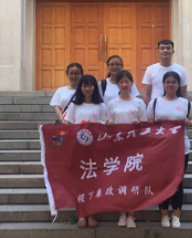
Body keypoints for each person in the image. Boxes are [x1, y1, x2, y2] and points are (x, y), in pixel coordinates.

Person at [146, 71, 192, 229]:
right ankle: (163, 214)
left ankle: (176, 215)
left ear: (178, 85)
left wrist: (189, 122)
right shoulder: (155, 102)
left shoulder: (185, 103)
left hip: (181, 148)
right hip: (161, 149)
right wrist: (155, 123)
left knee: (177, 181)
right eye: (167, 82)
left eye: (174, 82)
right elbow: (147, 122)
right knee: (162, 181)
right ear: (163, 84)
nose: (170, 85)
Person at [63, 74, 107, 229]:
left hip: (96, 150)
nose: (87, 89)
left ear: (94, 87)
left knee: (94, 181)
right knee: (80, 181)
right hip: (78, 149)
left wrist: (96, 123)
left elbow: (107, 125)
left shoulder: (101, 106)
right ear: (80, 88)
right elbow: (68, 124)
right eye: (84, 86)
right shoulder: (74, 106)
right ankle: (81, 214)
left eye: (90, 85)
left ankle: (92, 213)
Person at [105, 70, 147, 229]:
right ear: (117, 84)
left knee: (133, 182)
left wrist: (138, 124)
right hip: (117, 148)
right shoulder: (112, 103)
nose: (124, 84)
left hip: (134, 148)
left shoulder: (139, 102)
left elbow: (145, 124)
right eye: (121, 82)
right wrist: (109, 123)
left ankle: (131, 215)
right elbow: (107, 121)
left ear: (131, 83)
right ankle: (121, 213)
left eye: (127, 82)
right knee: (119, 181)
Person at [142, 39, 189, 105]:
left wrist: (186, 107)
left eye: (168, 48)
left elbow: (184, 93)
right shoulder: (150, 69)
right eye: (162, 48)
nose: (165, 51)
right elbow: (146, 94)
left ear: (173, 51)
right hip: (156, 106)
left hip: (176, 106)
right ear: (158, 51)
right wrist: (147, 109)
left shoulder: (181, 70)